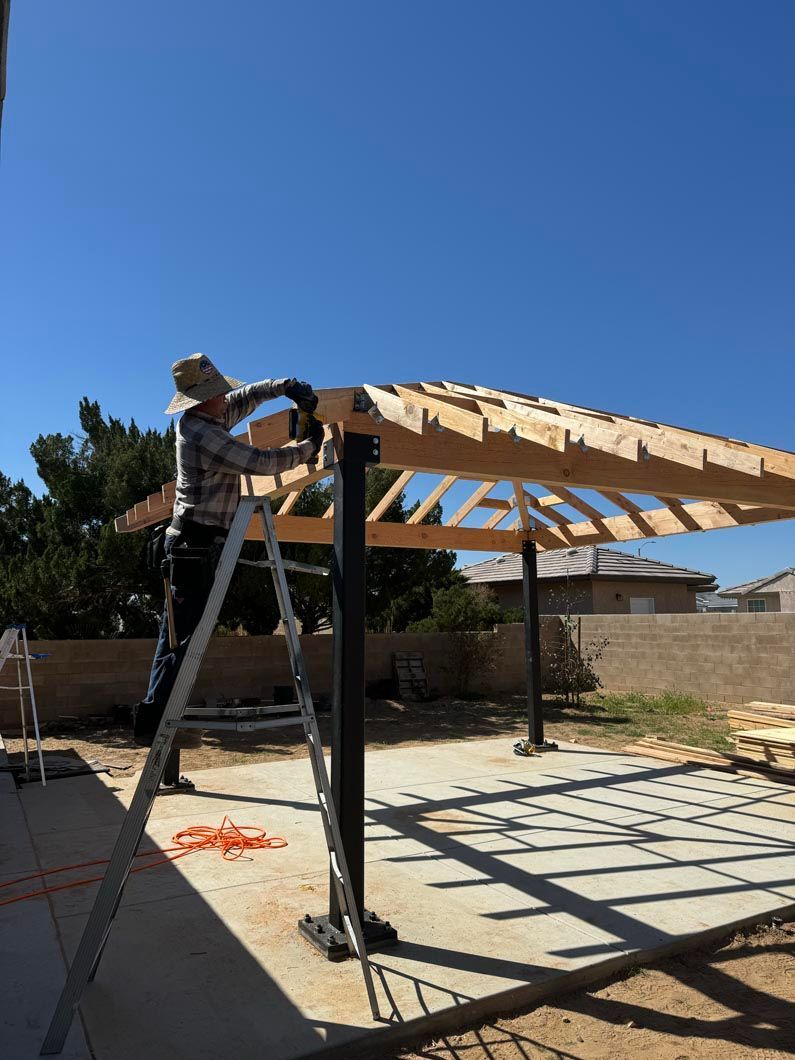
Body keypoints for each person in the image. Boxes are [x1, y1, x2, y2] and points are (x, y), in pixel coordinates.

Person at [133, 353, 323, 745]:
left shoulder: (213, 414)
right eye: (218, 392)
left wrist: (286, 386)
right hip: (192, 543)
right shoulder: (200, 434)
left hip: (201, 540)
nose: (226, 397)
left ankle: (157, 717)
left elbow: (247, 397)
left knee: (179, 635)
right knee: (180, 638)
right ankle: (153, 723)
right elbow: (257, 462)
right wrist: (307, 448)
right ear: (201, 400)